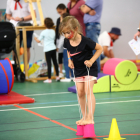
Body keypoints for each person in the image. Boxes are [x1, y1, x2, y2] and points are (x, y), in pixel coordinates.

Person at [59, 16, 103, 125]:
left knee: (88, 91)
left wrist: (92, 61)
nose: (66, 35)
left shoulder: (86, 41)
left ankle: (90, 117)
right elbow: (69, 50)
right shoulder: (67, 41)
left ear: (75, 29)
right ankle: (84, 117)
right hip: (78, 69)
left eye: (68, 33)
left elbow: (100, 49)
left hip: (89, 68)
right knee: (80, 92)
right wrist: (69, 60)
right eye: (64, 33)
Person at [80, 0, 103, 73]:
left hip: (92, 26)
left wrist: (84, 8)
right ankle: (94, 71)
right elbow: (82, 7)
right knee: (91, 48)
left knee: (94, 48)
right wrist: (84, 8)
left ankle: (95, 72)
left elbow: (84, 9)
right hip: (90, 26)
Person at [34, 18, 60, 83]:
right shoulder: (53, 31)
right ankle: (57, 77)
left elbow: (38, 41)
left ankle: (49, 79)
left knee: (49, 64)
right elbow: (54, 40)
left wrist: (35, 38)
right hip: (53, 48)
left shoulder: (43, 32)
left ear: (45, 24)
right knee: (55, 62)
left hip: (47, 49)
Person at [55, 4, 68, 78]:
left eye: (61, 12)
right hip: (60, 39)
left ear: (65, 9)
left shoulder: (68, 18)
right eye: (58, 12)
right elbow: (57, 31)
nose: (60, 14)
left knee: (67, 57)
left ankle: (69, 73)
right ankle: (60, 71)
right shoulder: (58, 19)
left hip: (65, 40)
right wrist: (57, 41)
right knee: (60, 56)